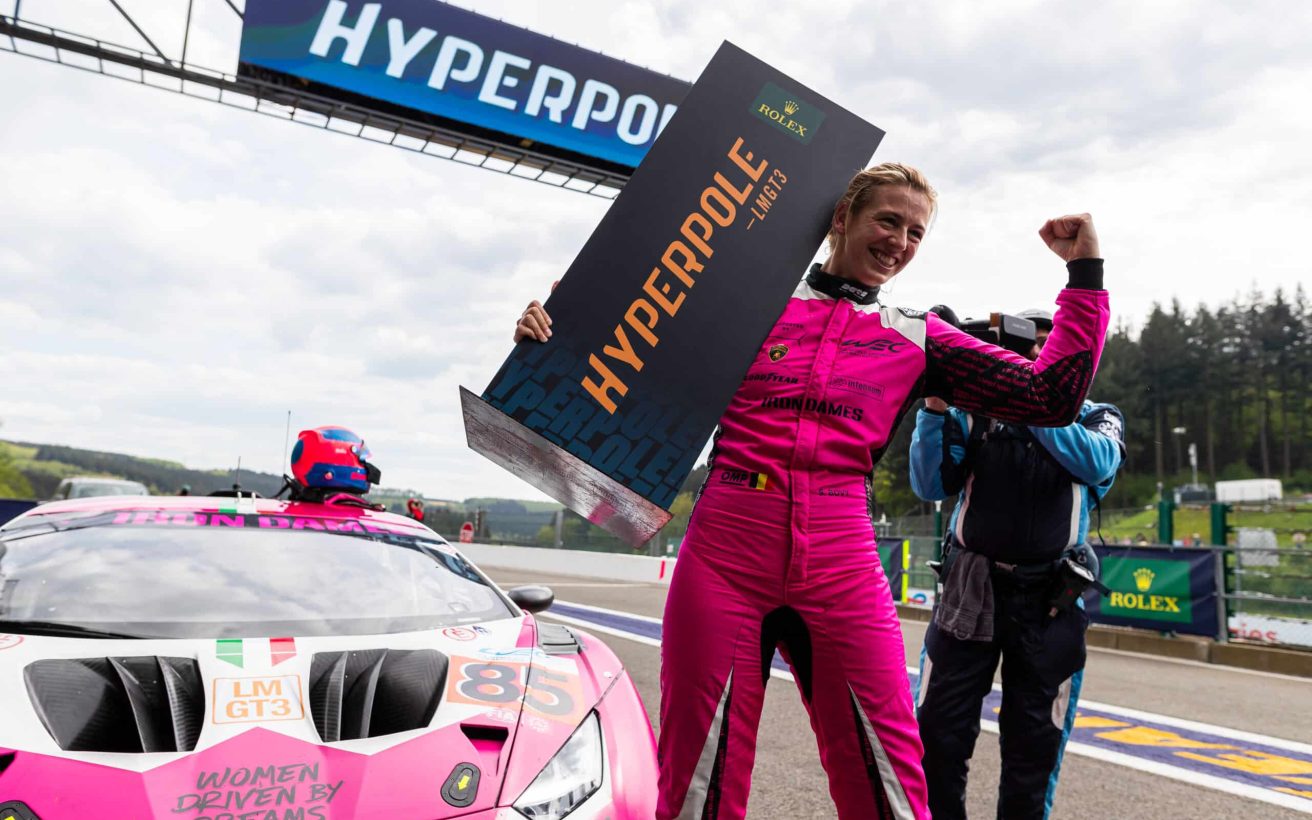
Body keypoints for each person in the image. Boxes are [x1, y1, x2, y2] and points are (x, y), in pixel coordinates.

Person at [514, 163, 1110, 820]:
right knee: (696, 782)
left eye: (915, 232)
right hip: (725, 552)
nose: (900, 242)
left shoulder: (918, 334)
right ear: (840, 220)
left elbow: (1050, 397)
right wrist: (550, 329)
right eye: (888, 220)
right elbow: (615, 344)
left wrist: (1084, 276)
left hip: (841, 555)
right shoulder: (747, 308)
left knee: (890, 785)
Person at [908, 309, 1125, 820]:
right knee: (936, 736)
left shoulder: (1098, 415)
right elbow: (929, 485)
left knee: (1035, 748)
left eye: (1049, 351)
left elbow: (1097, 463)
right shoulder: (973, 412)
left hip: (1050, 602)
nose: (1035, 357)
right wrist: (935, 406)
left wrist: (1028, 398)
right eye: (1028, 347)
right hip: (970, 590)